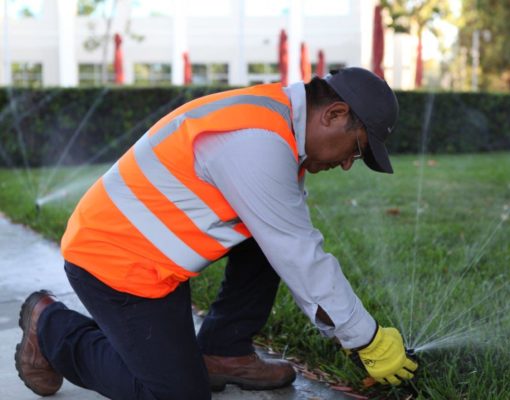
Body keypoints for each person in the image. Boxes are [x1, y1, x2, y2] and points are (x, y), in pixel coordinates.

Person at [15, 67, 417, 399]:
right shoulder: (257, 141)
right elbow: (300, 256)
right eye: (357, 148)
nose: (349, 163)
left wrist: (350, 328)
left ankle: (224, 350)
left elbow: (289, 242)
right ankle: (51, 327)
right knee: (176, 396)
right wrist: (367, 339)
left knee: (275, 230)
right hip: (114, 263)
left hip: (153, 257)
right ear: (333, 114)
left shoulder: (276, 123)